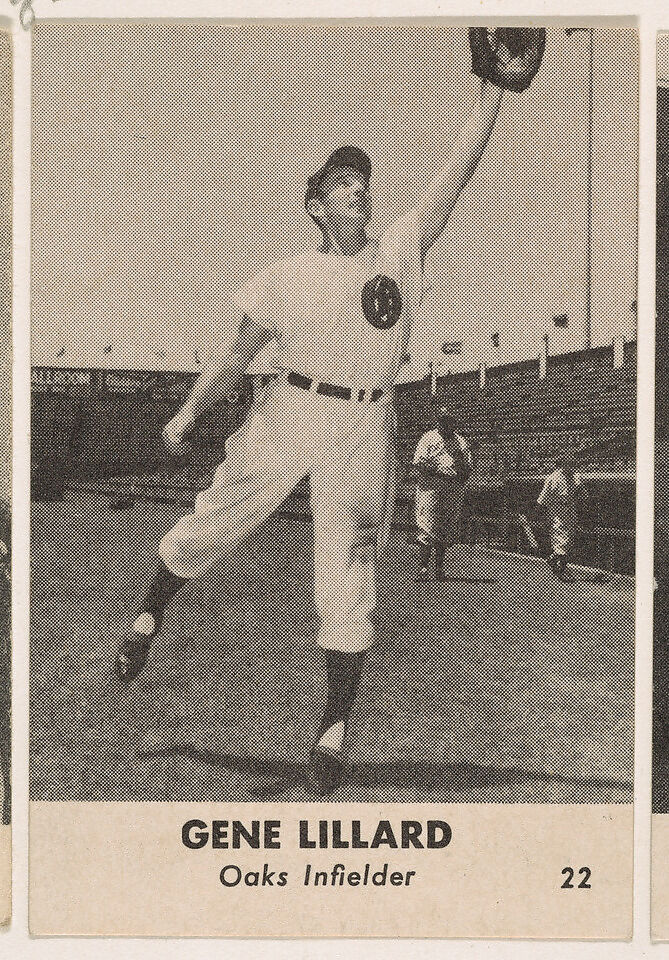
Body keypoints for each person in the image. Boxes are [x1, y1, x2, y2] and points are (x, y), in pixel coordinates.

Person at [113, 30, 544, 796]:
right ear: (316, 204)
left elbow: (453, 179)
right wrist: (184, 415)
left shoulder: (399, 251)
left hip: (364, 427)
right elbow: (233, 358)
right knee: (213, 522)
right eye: (343, 181)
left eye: (362, 180)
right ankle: (148, 617)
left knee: (346, 579)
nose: (359, 188)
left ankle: (333, 730)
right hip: (289, 412)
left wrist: (493, 92)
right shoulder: (283, 275)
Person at [412, 409, 473, 581]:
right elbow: (419, 463)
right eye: (442, 421)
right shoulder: (428, 438)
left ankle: (439, 569)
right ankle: (423, 568)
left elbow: (467, 470)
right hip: (430, 488)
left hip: (452, 489)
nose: (446, 424)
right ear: (438, 421)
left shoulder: (461, 442)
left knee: (444, 529)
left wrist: (458, 472)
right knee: (427, 528)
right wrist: (439, 470)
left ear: (454, 422)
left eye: (449, 421)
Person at [536, 456, 588, 580]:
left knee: (568, 542)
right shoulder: (552, 479)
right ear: (561, 464)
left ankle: (552, 560)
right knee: (561, 542)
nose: (570, 465)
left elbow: (584, 495)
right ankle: (562, 571)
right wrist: (541, 517)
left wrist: (580, 494)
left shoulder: (576, 476)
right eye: (568, 463)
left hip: (571, 512)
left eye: (572, 463)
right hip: (557, 514)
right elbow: (541, 501)